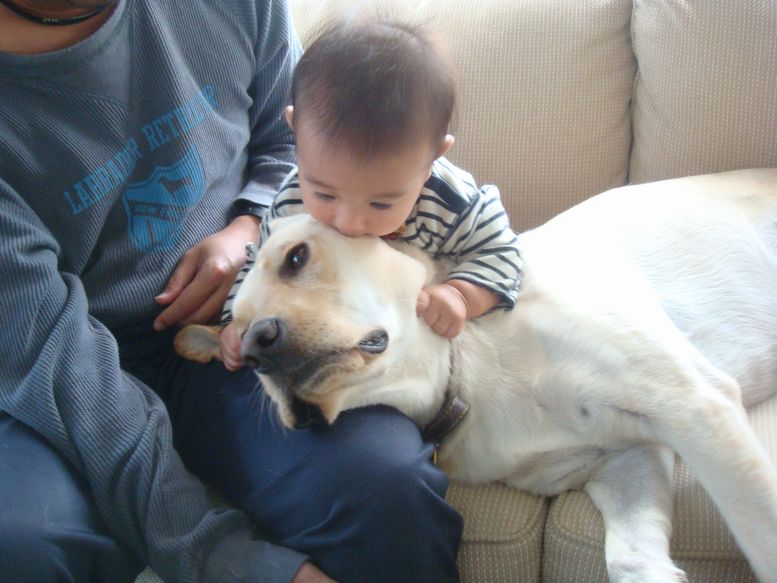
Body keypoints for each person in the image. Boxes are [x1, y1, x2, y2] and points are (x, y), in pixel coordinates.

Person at [0, 2, 463, 582]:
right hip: (45, 365)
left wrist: (248, 225)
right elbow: (50, 356)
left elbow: (294, 143)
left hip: (230, 342)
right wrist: (222, 558)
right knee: (22, 546)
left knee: (387, 491)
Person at [218, 16, 522, 367]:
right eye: (325, 195)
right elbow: (260, 262)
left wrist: (462, 295)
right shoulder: (292, 201)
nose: (348, 223)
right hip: (331, 330)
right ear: (294, 130)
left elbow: (502, 252)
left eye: (380, 204)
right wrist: (236, 321)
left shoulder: (451, 204)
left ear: (433, 158)